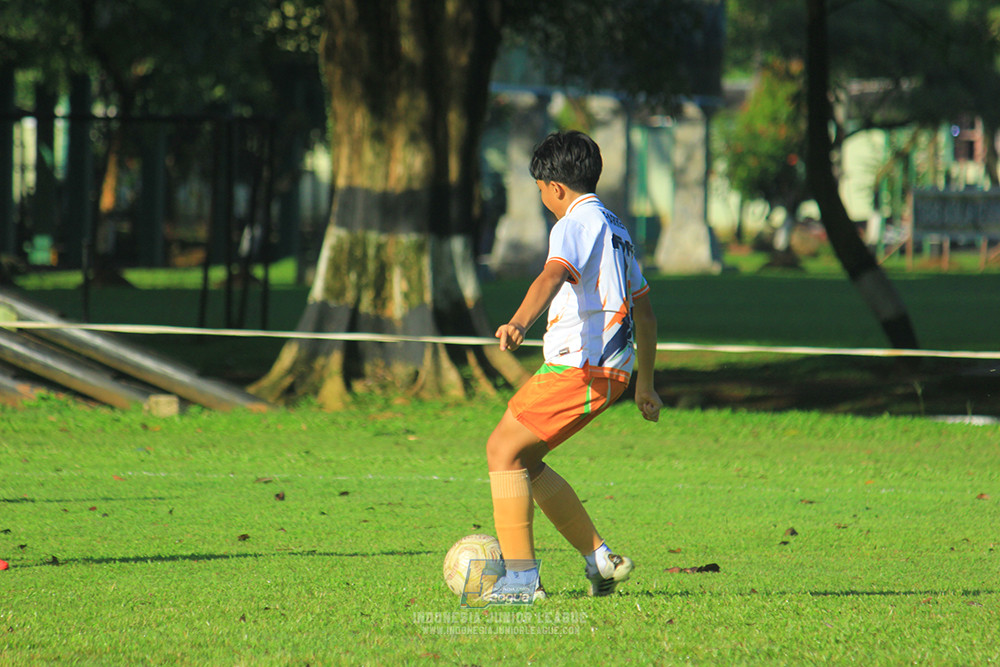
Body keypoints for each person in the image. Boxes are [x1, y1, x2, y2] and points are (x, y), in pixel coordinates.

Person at [486, 130, 663, 602]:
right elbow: (645, 313)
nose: (543, 199)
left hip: (580, 366)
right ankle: (600, 560)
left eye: (540, 190)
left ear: (556, 188)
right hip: (613, 370)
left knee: (501, 450)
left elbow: (552, 273)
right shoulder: (617, 229)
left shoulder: (574, 222)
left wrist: (519, 321)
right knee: (524, 460)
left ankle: (521, 583)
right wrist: (644, 383)